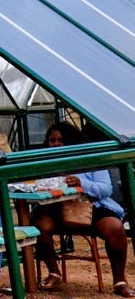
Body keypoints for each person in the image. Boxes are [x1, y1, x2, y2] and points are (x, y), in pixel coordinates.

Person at [31, 122, 131, 295]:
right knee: (38, 224)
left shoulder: (91, 158)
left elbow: (106, 188)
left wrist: (82, 183)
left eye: (61, 140)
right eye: (52, 140)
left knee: (114, 227)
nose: (56, 144)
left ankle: (119, 281)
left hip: (92, 208)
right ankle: (54, 272)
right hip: (56, 209)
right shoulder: (45, 160)